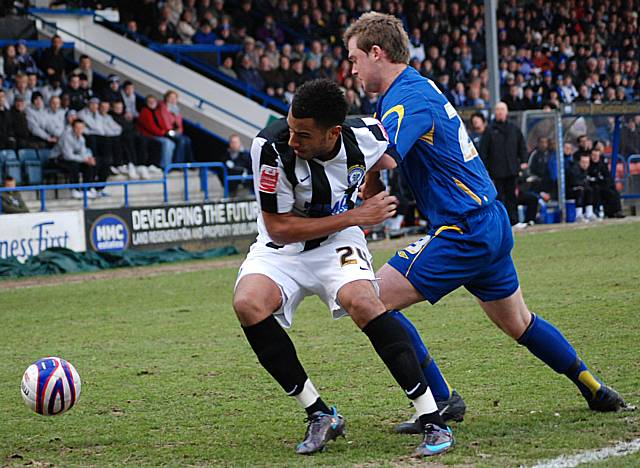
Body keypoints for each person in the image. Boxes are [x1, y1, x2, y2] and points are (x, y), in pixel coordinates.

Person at [344, 11, 631, 437]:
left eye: (353, 58)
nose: (351, 69)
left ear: (376, 52)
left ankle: (441, 399)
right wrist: (370, 180)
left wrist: (333, 143)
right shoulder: (415, 90)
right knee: (519, 322)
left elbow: (385, 153)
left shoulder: (407, 96)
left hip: (463, 229)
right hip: (487, 222)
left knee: (369, 301)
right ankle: (592, 386)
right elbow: (386, 153)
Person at [233, 79, 453, 458]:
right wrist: (359, 213)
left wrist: (371, 182)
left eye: (303, 135)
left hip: (338, 241)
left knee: (364, 302)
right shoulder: (269, 148)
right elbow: (279, 228)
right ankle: (319, 413)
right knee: (248, 303)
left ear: (333, 132)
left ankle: (432, 419)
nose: (293, 140)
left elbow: (386, 155)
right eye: (291, 127)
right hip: (282, 245)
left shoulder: (364, 133)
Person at [479, 101, 528, 225]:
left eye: (502, 109)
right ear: (495, 112)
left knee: (512, 197)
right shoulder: (489, 130)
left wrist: (524, 161)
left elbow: (522, 146)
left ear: (506, 112)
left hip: (512, 169)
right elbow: (483, 152)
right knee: (498, 198)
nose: (500, 112)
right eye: (498, 109)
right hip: (496, 171)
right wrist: (485, 170)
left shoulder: (514, 129)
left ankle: (514, 221)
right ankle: (501, 222)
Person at [51, 118, 97, 200]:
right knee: (74, 164)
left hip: (72, 158)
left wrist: (88, 159)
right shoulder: (66, 136)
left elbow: (83, 153)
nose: (80, 130)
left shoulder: (82, 138)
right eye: (77, 128)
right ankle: (74, 190)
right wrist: (84, 159)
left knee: (88, 165)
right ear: (73, 128)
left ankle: (86, 189)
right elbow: (68, 156)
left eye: (82, 128)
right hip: (57, 158)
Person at [136, 95, 175, 169]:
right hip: (149, 135)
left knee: (172, 143)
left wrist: (167, 131)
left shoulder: (157, 111)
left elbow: (163, 123)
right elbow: (151, 127)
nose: (151, 103)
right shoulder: (144, 112)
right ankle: (165, 167)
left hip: (159, 134)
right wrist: (164, 133)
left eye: (153, 101)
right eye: (149, 102)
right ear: (146, 103)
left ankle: (166, 165)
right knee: (167, 143)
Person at [588, 147, 625, 219]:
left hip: (603, 184)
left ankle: (616, 211)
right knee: (597, 190)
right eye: (593, 156)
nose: (595, 157)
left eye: (596, 156)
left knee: (613, 191)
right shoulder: (589, 165)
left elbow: (607, 176)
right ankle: (599, 212)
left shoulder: (602, 164)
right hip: (593, 185)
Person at [158, 90, 194, 164]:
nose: (173, 100)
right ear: (166, 98)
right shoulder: (163, 108)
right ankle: (177, 163)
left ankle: (190, 162)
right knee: (182, 140)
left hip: (174, 132)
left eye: (174, 98)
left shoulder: (176, 109)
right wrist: (173, 131)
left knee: (187, 139)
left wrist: (179, 131)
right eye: (170, 97)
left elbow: (179, 125)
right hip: (166, 131)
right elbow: (165, 123)